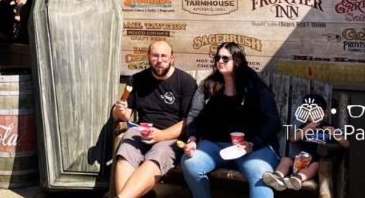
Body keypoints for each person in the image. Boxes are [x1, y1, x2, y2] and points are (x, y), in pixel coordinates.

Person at [181, 42, 281, 198]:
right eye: (218, 57)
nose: (220, 61)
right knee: (190, 163)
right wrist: (192, 138)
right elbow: (194, 115)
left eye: (225, 58)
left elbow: (273, 121)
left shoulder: (254, 87)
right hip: (216, 145)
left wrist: (254, 143)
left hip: (252, 147)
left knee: (260, 173)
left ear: (237, 61)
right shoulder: (208, 86)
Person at [111, 40, 197, 198]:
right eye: (155, 56)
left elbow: (189, 121)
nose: (160, 60)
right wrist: (120, 112)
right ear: (148, 56)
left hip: (171, 137)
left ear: (172, 58)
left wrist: (161, 135)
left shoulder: (186, 82)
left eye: (164, 56)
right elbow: (125, 114)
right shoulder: (137, 80)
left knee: (159, 153)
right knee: (126, 148)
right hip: (141, 132)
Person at [262, 93, 346, 191]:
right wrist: (307, 128)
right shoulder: (304, 127)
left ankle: (298, 179)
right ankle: (277, 177)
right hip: (300, 160)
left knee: (315, 165)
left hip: (315, 163)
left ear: (325, 113)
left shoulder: (330, 129)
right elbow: (293, 139)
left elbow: (346, 144)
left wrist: (335, 134)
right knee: (286, 160)